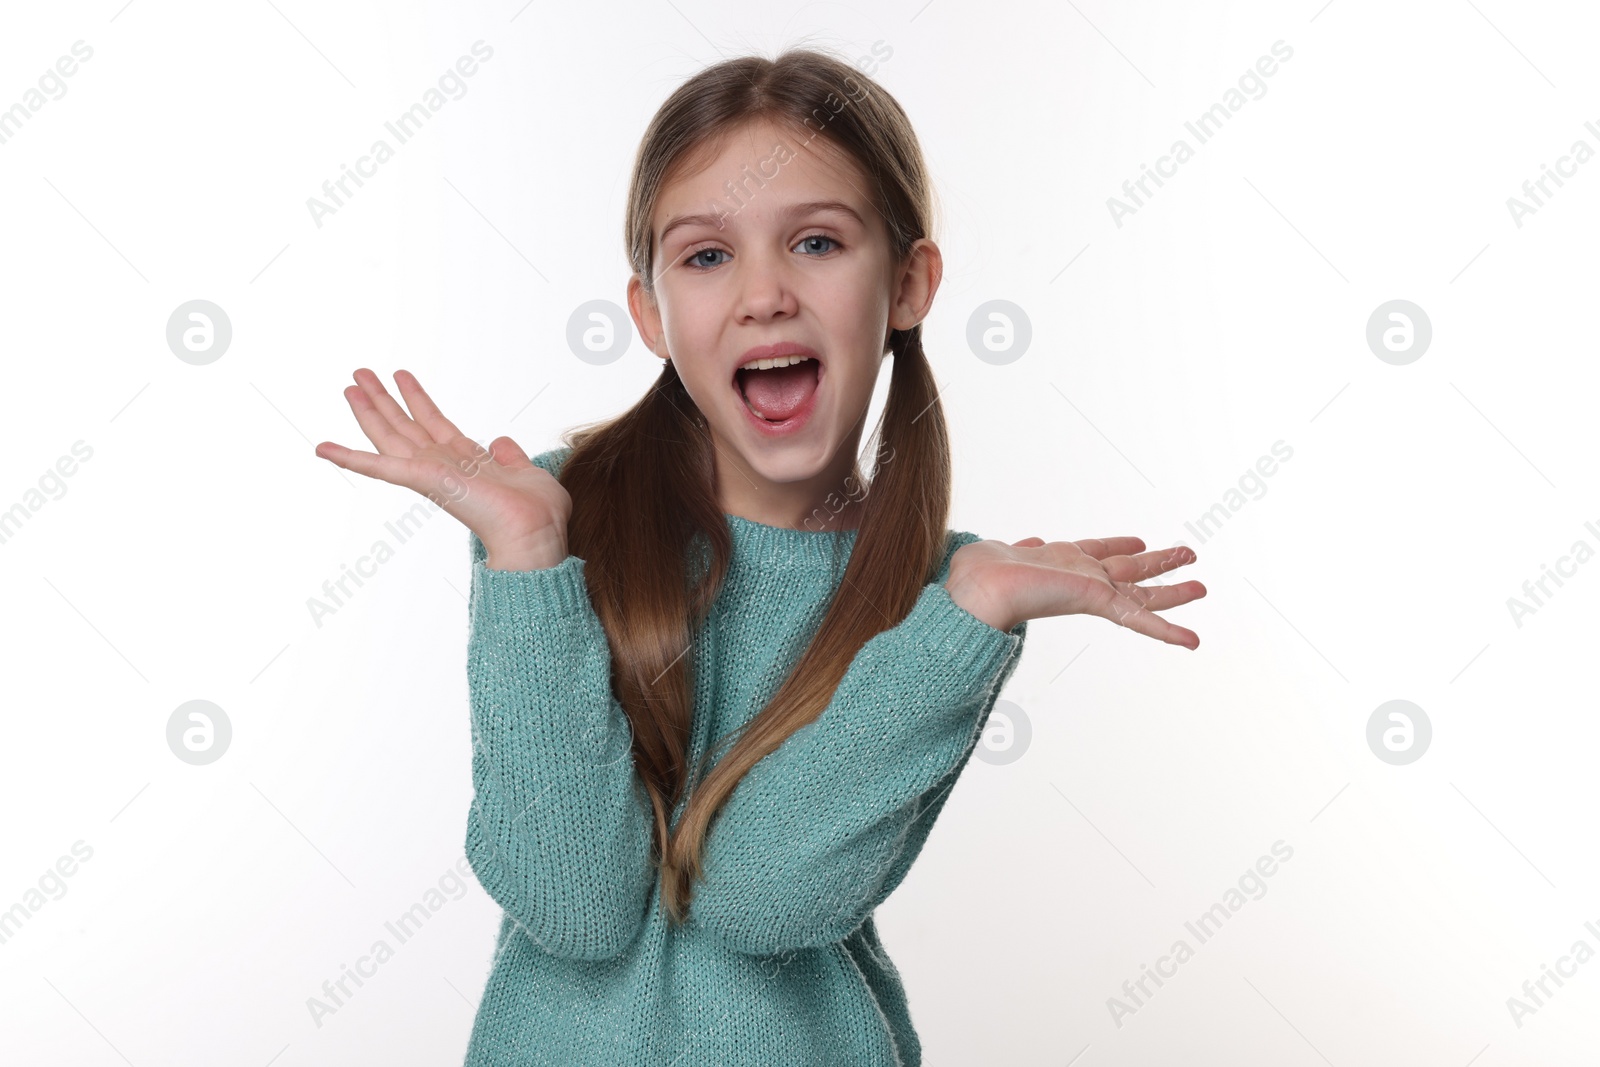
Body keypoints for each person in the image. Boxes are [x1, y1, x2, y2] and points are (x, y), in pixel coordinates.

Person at [314, 45, 1204, 1067]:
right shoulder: (558, 525)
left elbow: (760, 902)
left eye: (817, 241)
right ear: (649, 312)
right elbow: (574, 908)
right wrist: (527, 560)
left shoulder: (942, 603)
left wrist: (970, 612)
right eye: (705, 256)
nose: (765, 294)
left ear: (908, 282)